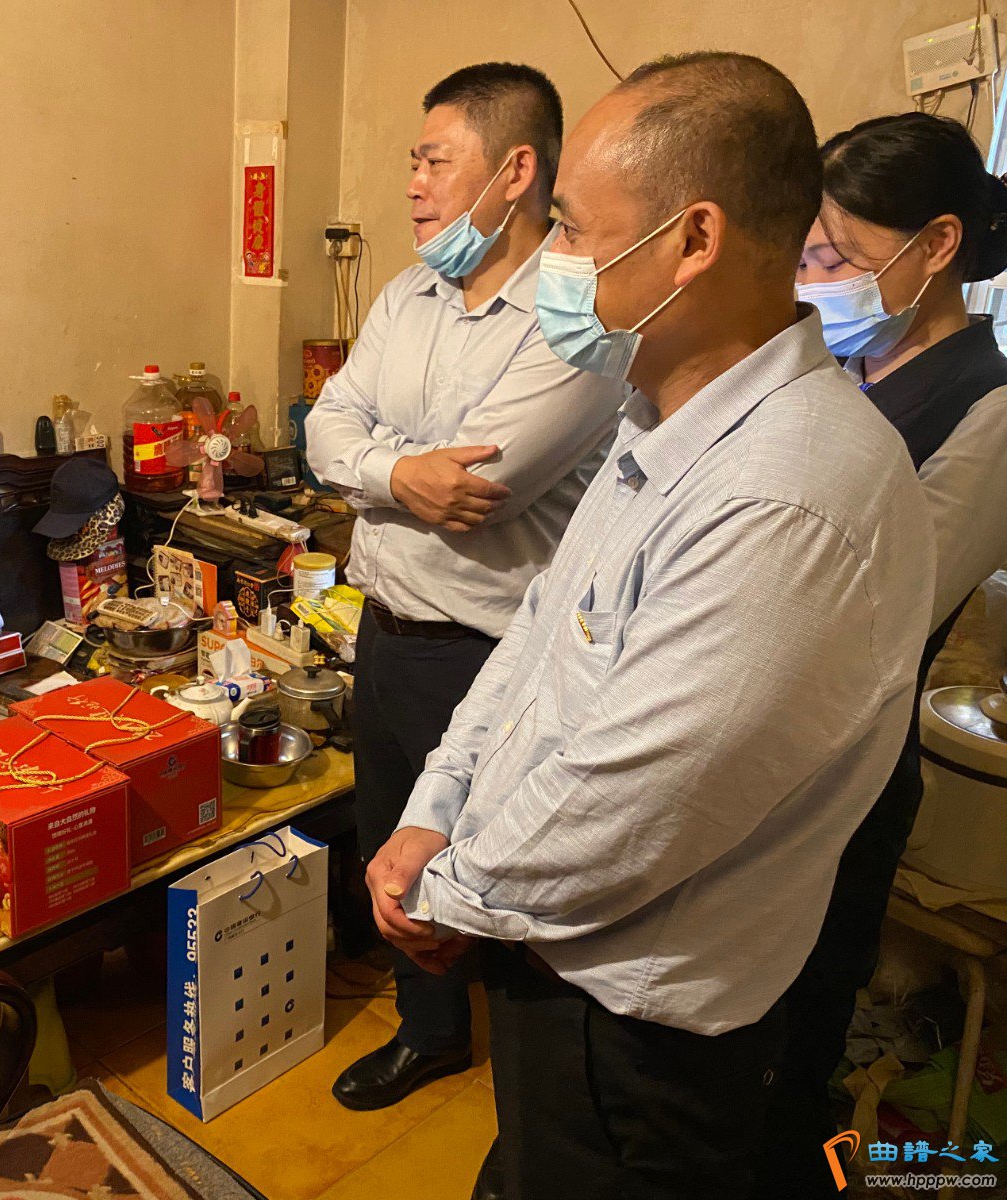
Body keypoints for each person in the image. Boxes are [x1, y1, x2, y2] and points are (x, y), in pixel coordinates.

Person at [365, 53, 935, 1198]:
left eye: (574, 230)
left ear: (692, 241)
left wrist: (450, 894)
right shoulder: (660, 416)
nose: (555, 260)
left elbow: (634, 796)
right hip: (543, 947)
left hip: (633, 1023)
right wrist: (435, 810)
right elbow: (536, 643)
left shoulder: (786, 489)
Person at [306, 62, 625, 1114]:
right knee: (392, 848)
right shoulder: (408, 295)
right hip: (385, 630)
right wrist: (403, 472)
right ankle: (429, 1035)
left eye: (434, 161)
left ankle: (524, 1109)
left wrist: (374, 463)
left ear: (515, 171)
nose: (412, 185)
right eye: (414, 162)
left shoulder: (575, 321)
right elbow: (322, 429)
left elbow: (485, 488)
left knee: (492, 870)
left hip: (489, 653)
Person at [758, 112, 1007, 1197]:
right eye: (806, 257)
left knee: (793, 1029)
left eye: (837, 259)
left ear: (938, 244)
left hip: (845, 770)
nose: (813, 282)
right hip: (763, 745)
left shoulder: (988, 409)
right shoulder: (838, 367)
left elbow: (885, 611)